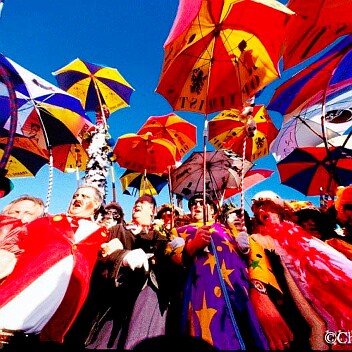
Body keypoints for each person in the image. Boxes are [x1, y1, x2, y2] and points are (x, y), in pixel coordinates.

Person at [0, 184, 111, 351]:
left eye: (85, 196)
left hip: (55, 315)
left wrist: (118, 250)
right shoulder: (47, 221)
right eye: (76, 195)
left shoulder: (104, 235)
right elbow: (14, 235)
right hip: (20, 293)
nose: (78, 199)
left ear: (96, 205)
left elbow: (111, 255)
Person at [251, 190, 352, 350]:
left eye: (267, 204)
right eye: (258, 206)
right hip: (311, 298)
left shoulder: (303, 234)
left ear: (279, 207)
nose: (262, 209)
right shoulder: (260, 238)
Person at [82, 194, 185, 350]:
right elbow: (103, 258)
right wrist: (121, 257)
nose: (137, 204)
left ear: (153, 210)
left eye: (143, 203)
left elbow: (172, 271)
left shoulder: (162, 236)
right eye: (136, 202)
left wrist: (174, 252)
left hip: (151, 295)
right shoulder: (117, 230)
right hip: (116, 298)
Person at [170, 194, 269, 351]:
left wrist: (245, 246)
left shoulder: (227, 229)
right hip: (202, 294)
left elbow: (250, 254)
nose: (196, 206)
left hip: (238, 289)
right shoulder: (179, 231)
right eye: (193, 204)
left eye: (202, 203)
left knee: (247, 333)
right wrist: (190, 247)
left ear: (213, 210)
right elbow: (172, 258)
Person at [0, 195, 45, 280]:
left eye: (28, 213)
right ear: (4, 213)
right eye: (15, 212)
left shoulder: (38, 246)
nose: (20, 216)